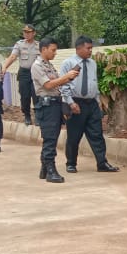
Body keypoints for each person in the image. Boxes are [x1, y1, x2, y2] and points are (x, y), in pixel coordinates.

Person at [60, 36, 120, 173]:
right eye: (88, 48)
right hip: (76, 103)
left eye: (91, 48)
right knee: (74, 136)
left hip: (91, 104)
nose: (90, 51)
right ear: (79, 48)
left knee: (97, 134)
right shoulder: (68, 63)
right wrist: (70, 102)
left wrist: (98, 101)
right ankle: (71, 163)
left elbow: (94, 82)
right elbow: (63, 85)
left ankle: (102, 163)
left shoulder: (92, 63)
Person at [32, 37, 79, 183]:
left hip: (54, 104)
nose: (55, 53)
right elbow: (48, 85)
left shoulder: (49, 65)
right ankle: (50, 170)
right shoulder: (37, 65)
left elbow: (56, 84)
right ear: (44, 49)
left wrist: (68, 78)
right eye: (53, 50)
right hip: (47, 106)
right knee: (50, 139)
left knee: (52, 137)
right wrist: (66, 76)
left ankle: (45, 169)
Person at [3, 24, 40, 125]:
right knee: (25, 96)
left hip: (36, 73)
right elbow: (13, 57)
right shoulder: (19, 44)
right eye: (24, 32)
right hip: (24, 73)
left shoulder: (39, 45)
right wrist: (5, 67)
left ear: (34, 33)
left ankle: (38, 116)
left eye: (28, 32)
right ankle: (27, 115)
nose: (26, 34)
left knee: (36, 95)